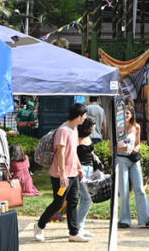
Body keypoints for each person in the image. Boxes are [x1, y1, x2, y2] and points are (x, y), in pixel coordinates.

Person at [35, 103, 90, 243]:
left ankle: (74, 233)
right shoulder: (63, 130)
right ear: (78, 117)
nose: (85, 118)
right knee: (58, 203)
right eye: (84, 116)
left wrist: (78, 168)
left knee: (73, 202)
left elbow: (73, 152)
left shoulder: (75, 129)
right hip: (61, 175)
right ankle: (40, 225)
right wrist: (63, 174)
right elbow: (60, 153)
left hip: (72, 174)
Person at [116, 104, 149, 229]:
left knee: (139, 188)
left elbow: (138, 143)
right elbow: (111, 147)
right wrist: (123, 148)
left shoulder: (136, 127)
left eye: (127, 113)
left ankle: (146, 217)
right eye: (123, 113)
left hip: (134, 160)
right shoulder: (117, 128)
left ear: (132, 114)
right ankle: (124, 219)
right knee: (124, 190)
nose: (125, 115)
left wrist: (135, 148)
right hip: (121, 159)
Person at [75, 119, 97, 238]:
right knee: (87, 198)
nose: (95, 127)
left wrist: (96, 157)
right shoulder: (77, 138)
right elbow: (73, 154)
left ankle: (79, 227)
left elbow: (90, 151)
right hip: (80, 170)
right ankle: (77, 226)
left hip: (90, 169)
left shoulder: (89, 137)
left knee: (85, 198)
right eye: (93, 125)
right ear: (88, 126)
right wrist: (78, 169)